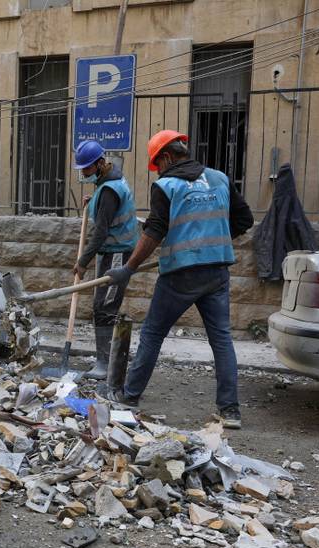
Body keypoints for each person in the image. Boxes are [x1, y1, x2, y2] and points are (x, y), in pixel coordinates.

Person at [103, 130, 254, 428]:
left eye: (157, 164)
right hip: (217, 272)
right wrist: (216, 239)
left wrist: (129, 268)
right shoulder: (219, 178)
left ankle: (129, 396)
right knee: (221, 339)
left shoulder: (166, 185)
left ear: (167, 157)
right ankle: (230, 411)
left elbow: (154, 231)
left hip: (180, 275)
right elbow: (244, 220)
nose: (157, 170)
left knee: (153, 334)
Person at [71, 140, 139, 379]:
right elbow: (108, 206)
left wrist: (83, 260)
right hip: (112, 253)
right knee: (103, 305)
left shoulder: (109, 190)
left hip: (117, 253)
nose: (83, 172)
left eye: (87, 168)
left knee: (105, 307)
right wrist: (95, 199)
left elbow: (100, 232)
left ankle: (104, 364)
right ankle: (105, 360)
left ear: (100, 163)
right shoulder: (110, 181)